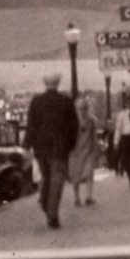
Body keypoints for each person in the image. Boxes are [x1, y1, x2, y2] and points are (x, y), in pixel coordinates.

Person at [23, 73, 78, 229]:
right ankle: (52, 215)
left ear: (44, 83)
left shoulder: (36, 101)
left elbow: (31, 125)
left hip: (41, 149)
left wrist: (28, 143)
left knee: (46, 179)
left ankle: (45, 202)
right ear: (58, 83)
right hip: (59, 149)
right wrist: (70, 145)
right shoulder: (66, 101)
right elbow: (73, 126)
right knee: (56, 182)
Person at [66, 93, 101, 208]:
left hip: (88, 150)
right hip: (75, 152)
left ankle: (88, 197)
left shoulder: (91, 120)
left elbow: (93, 136)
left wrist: (96, 148)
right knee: (75, 176)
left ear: (87, 108)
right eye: (79, 108)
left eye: (84, 108)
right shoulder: (71, 121)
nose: (82, 111)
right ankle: (77, 197)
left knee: (89, 173)